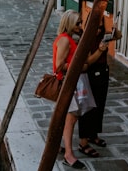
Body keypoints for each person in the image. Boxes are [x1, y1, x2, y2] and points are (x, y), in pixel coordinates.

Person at [51, 11, 96, 169]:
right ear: (69, 23)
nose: (80, 26)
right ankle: (68, 154)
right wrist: (79, 67)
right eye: (77, 23)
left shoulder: (70, 39)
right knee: (70, 119)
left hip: (73, 82)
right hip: (67, 83)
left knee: (67, 118)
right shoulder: (64, 40)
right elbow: (58, 67)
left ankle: (58, 146)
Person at [78, 19, 121, 157]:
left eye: (100, 27)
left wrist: (115, 29)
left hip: (103, 72)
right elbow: (88, 62)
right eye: (96, 27)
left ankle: (93, 134)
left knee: (99, 105)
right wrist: (100, 50)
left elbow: (118, 36)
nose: (98, 30)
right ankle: (83, 142)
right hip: (90, 73)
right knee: (87, 107)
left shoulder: (103, 35)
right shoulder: (85, 39)